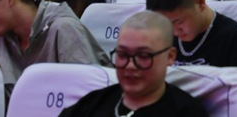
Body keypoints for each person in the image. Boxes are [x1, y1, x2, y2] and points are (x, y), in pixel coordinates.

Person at [60, 11, 209, 117]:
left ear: (170, 57)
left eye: (143, 56)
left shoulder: (187, 112)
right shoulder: (92, 104)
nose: (130, 66)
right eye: (122, 55)